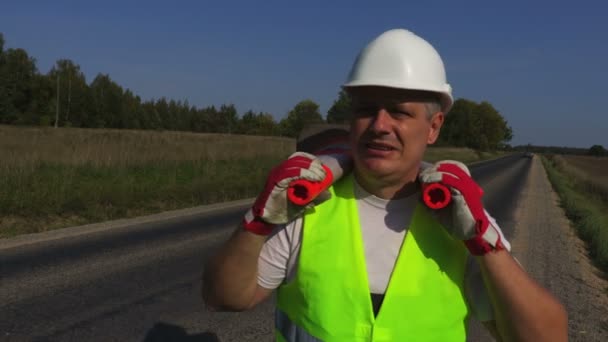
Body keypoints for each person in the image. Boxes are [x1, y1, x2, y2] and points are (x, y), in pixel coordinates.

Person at [202, 29, 567, 341]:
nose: (379, 124)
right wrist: (256, 224)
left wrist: (486, 246)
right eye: (365, 109)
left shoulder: (461, 220)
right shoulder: (310, 204)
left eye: (399, 111)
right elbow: (225, 297)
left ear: (434, 126)